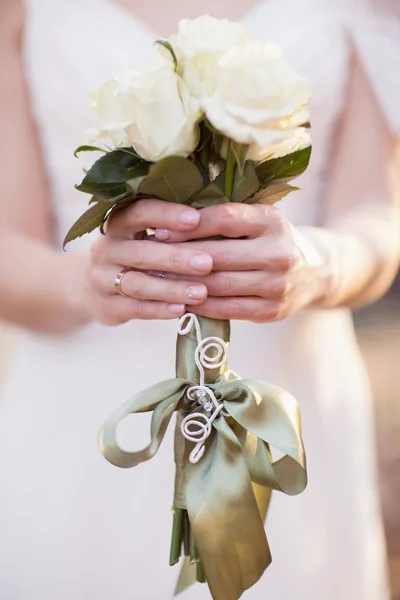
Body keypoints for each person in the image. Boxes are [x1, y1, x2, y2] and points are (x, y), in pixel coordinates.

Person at [0, 0, 399, 598]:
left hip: (290, 400)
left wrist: (314, 264)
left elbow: (375, 214)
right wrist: (83, 284)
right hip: (78, 414)